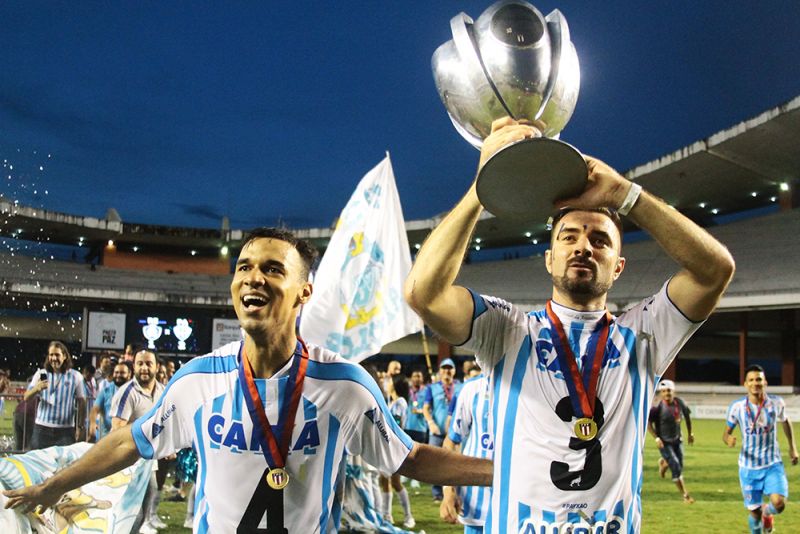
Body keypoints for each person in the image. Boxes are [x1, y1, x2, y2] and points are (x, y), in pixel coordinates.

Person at [4, 227, 492, 533]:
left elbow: (412, 457)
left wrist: (503, 471)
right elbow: (127, 443)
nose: (253, 277)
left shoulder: (344, 385)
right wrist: (52, 486)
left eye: (272, 269)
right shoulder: (199, 380)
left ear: (305, 290)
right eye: (244, 267)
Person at [404, 117, 735, 532]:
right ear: (548, 258)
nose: (583, 246)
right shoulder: (508, 331)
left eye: (600, 240)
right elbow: (423, 293)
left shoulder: (646, 334)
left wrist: (626, 194)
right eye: (569, 236)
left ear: (618, 267)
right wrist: (482, 188)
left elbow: (715, 270)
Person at [723, 364, 798, 534]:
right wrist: (729, 440)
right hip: (748, 468)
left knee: (779, 503)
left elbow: (785, 421)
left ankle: (768, 512)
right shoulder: (737, 407)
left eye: (759, 379)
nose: (755, 383)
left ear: (765, 382)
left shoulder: (776, 403)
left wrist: (792, 448)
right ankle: (761, 518)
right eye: (751, 380)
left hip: (772, 464)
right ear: (745, 384)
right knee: (754, 514)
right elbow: (726, 434)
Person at [111, 349, 166, 534]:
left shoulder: (162, 391)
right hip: (129, 462)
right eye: (139, 363)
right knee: (131, 513)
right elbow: (117, 429)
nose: (144, 368)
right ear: (133, 366)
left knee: (146, 507)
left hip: (149, 461)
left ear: (157, 367)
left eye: (148, 363)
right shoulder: (127, 392)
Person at [441, 372, 493, 534]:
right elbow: (451, 443)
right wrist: (448, 490)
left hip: (518, 502)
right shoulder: (472, 388)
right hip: (476, 504)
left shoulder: (530, 386)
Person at [24, 341, 87, 449]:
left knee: (64, 465)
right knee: (39, 462)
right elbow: (26, 397)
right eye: (51, 355)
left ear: (65, 356)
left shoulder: (75, 376)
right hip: (42, 428)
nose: (54, 358)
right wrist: (36, 388)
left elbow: (82, 402)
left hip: (65, 431)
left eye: (57, 355)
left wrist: (80, 427)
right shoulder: (41, 374)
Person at [378, 373, 416, 529]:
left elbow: (397, 425)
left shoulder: (399, 402)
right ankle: (386, 515)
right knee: (384, 481)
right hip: (388, 446)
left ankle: (409, 516)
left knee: (395, 482)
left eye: (390, 380)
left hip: (395, 447)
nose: (388, 382)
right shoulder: (392, 401)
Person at [648, 379, 695, 503]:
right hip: (664, 442)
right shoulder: (657, 407)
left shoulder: (680, 403)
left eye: (668, 390)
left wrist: (690, 433)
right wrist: (656, 438)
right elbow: (648, 424)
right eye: (663, 391)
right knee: (676, 466)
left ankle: (664, 463)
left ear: (673, 391)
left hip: (677, 440)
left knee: (679, 463)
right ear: (661, 393)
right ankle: (685, 495)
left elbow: (688, 417)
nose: (666, 393)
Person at [422, 358, 462, 501]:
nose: (447, 371)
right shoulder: (432, 388)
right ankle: (437, 492)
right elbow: (425, 408)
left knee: (455, 463)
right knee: (435, 462)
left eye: (449, 368)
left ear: (454, 371)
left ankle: (454, 491)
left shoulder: (461, 387)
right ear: (440, 371)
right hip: (437, 431)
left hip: (456, 431)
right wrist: (431, 423)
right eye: (444, 368)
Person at [89, 361, 131, 442]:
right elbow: (95, 409)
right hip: (106, 437)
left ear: (129, 374)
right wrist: (92, 424)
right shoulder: (106, 391)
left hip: (126, 438)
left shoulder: (135, 392)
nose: (118, 375)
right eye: (116, 372)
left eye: (122, 373)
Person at [404, 368, 428, 444]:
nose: (417, 378)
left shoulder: (427, 391)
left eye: (419, 376)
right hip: (407, 427)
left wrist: (421, 411)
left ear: (422, 378)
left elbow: (430, 409)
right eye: (415, 376)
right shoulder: (406, 391)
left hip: (421, 428)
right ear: (411, 378)